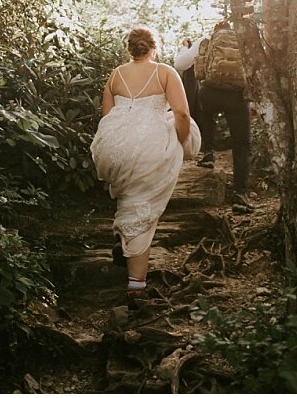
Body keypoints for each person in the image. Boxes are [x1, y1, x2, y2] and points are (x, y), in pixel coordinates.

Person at [90, 25, 200, 300]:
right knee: (143, 209)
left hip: (115, 145)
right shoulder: (165, 72)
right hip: (150, 147)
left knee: (129, 200)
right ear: (154, 48)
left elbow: (107, 118)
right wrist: (182, 144)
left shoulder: (115, 75)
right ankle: (136, 288)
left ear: (129, 49)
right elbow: (182, 115)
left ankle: (121, 241)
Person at [197, 20, 254, 214]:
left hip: (210, 92)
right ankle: (239, 195)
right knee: (242, 145)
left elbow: (200, 71)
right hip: (237, 97)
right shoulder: (243, 41)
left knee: (206, 113)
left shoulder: (208, 41)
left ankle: (208, 153)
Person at [174, 36, 204, 136]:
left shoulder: (203, 40)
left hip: (201, 89)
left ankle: (208, 147)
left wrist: (185, 47)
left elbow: (179, 64)